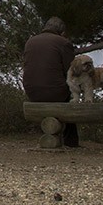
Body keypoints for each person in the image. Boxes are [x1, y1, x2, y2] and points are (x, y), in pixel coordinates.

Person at [22, 16, 78, 147]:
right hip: (55, 93)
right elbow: (71, 70)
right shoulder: (63, 43)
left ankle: (61, 136)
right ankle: (71, 141)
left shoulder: (30, 42)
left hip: (32, 92)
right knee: (70, 94)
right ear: (62, 32)